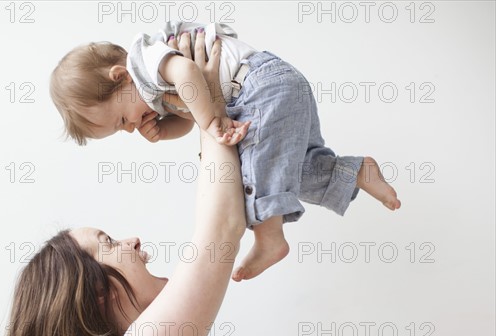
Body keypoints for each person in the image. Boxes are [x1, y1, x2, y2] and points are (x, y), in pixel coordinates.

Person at [0, 36, 256, 336]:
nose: (134, 240)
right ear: (96, 295)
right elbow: (220, 230)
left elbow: (219, 224)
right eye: (108, 241)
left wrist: (202, 110)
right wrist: (208, 103)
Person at [49, 21, 401, 283]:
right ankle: (354, 172)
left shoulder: (145, 61)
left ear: (119, 76)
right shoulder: (151, 92)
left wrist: (213, 121)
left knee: (257, 169)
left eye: (122, 118)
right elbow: (189, 120)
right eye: (122, 130)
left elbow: (188, 72)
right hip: (274, 88)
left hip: (259, 85)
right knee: (286, 172)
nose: (130, 127)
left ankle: (270, 238)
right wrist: (165, 131)